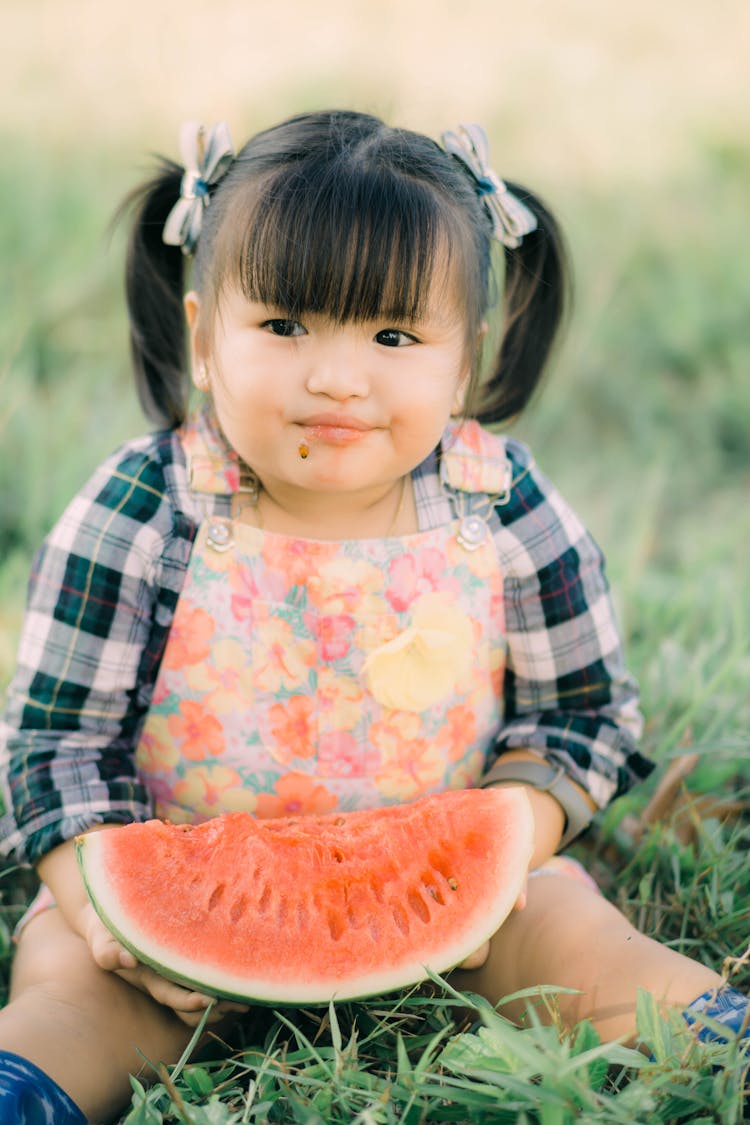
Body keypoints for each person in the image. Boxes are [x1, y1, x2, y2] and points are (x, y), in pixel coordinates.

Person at [0, 110, 745, 1123]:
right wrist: (102, 914)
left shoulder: (505, 505)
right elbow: (55, 744)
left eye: (394, 335)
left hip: (463, 919)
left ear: (465, 357)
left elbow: (582, 713)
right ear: (202, 336)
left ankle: (716, 1036)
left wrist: (514, 832)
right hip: (180, 913)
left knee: (579, 936)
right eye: (284, 326)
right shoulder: (144, 505)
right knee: (65, 992)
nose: (338, 377)